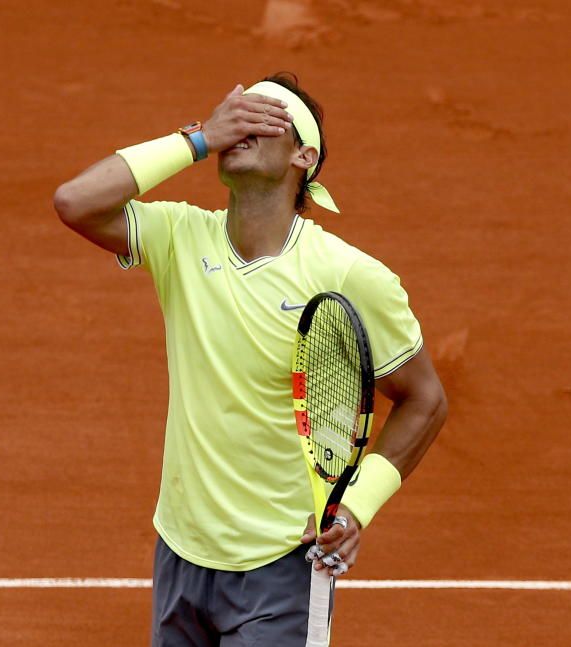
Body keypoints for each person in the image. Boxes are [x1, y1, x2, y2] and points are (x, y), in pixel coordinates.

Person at [54, 72, 448, 646]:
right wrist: (197, 138)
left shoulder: (348, 274)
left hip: (283, 562)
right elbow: (75, 201)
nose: (241, 125)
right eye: (236, 114)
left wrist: (357, 505)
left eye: (265, 118)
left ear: (303, 156)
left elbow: (425, 400)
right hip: (181, 551)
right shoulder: (181, 238)